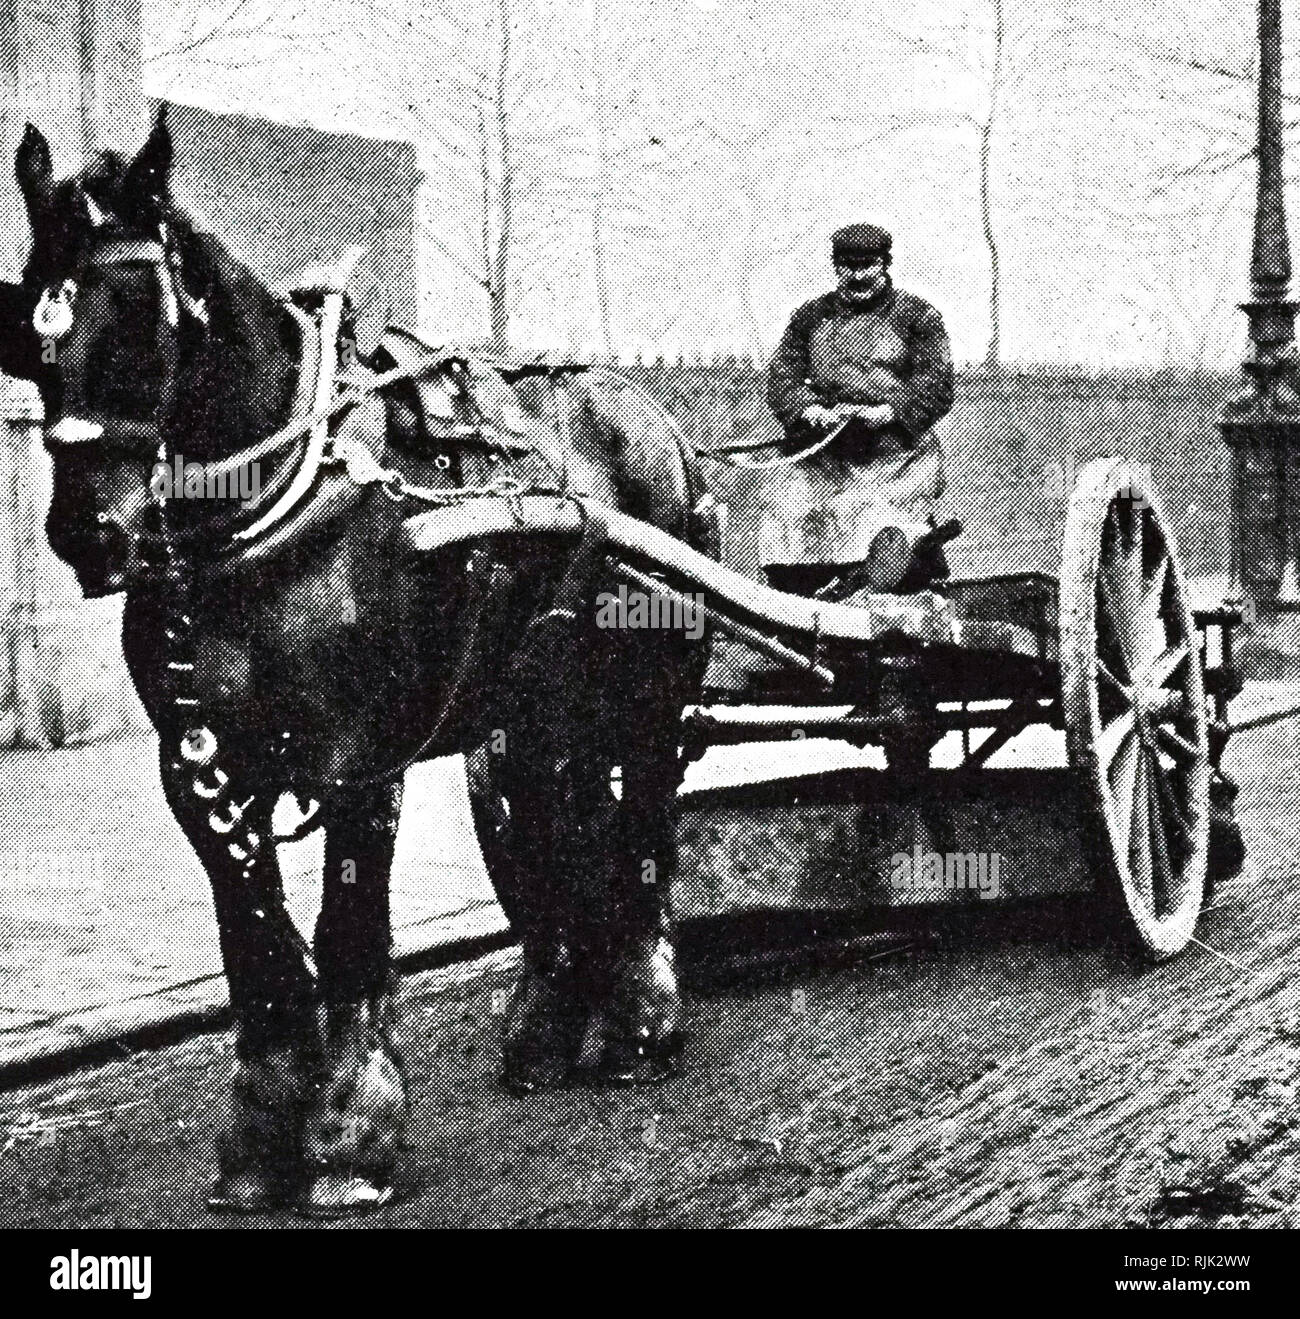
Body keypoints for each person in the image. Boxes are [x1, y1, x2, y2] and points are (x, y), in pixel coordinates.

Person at [761, 222, 955, 598]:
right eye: (846, 266)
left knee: (891, 535)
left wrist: (891, 410)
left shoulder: (918, 316)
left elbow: (938, 382)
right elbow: (782, 377)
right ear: (835, 267)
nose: (856, 275)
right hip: (823, 453)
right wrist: (808, 410)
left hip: (896, 457)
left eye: (866, 265)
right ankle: (801, 612)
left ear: (885, 264)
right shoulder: (811, 316)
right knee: (785, 513)